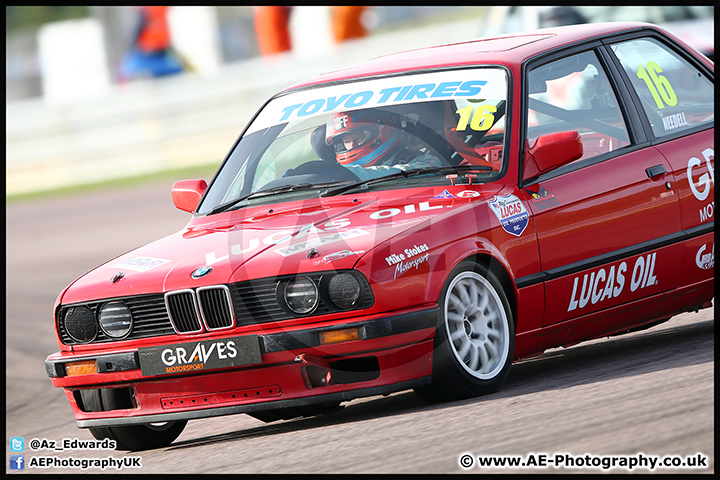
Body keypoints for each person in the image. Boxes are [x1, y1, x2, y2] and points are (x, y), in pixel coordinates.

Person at [324, 109, 442, 180]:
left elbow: (429, 171)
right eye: (347, 141)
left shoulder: (425, 161)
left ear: (384, 131)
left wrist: (350, 174)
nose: (353, 145)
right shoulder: (335, 174)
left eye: (359, 137)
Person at [118, 6, 184, 81]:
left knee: (126, 71)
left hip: (151, 52)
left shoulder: (145, 10)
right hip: (158, 49)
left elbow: (139, 26)